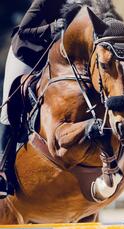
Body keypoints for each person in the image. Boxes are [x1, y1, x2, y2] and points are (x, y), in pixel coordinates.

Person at [0, 0, 67, 199]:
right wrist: (52, 27)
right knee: (9, 107)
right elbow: (24, 31)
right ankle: (2, 171)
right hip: (24, 56)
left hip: (49, 60)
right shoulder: (43, 2)